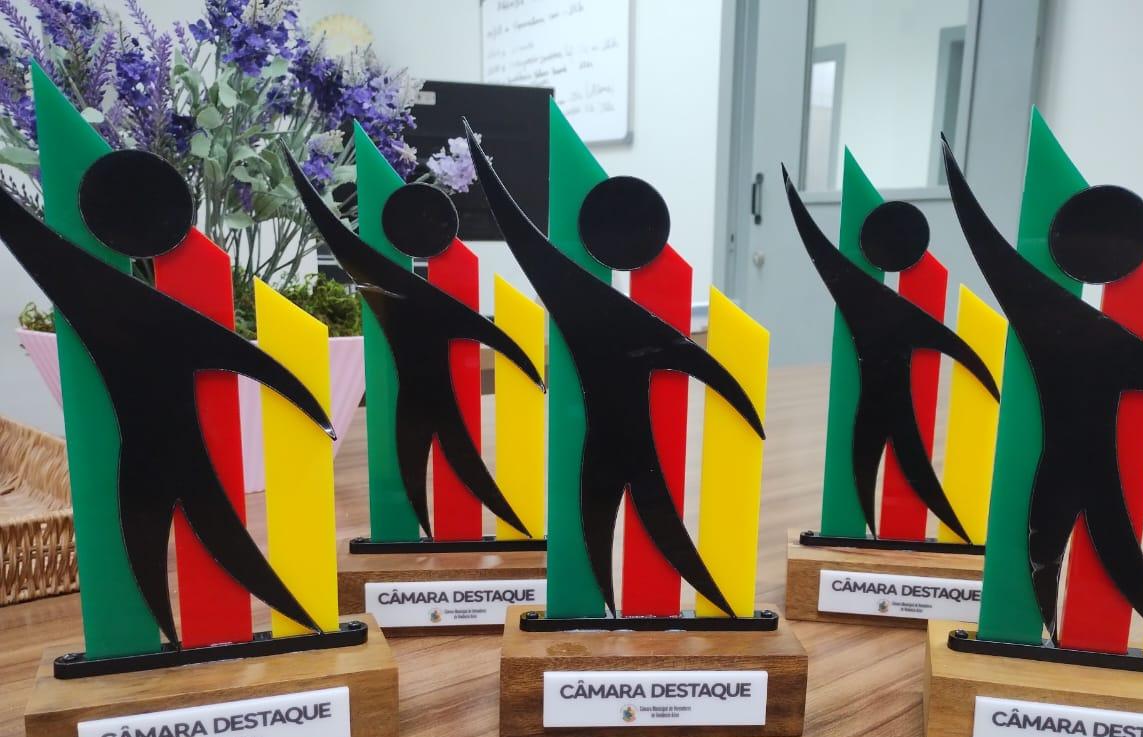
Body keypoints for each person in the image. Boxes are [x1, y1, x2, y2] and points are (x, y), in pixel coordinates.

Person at [0, 149, 334, 644]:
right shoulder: (107, 292)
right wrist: (306, 403)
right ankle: (203, 633)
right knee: (177, 535)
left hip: (150, 441)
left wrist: (305, 404)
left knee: (186, 532)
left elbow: (33, 241)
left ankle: (271, 625)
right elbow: (250, 360)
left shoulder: (102, 292)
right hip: (149, 441)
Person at [941, 137, 1143, 660]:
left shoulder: (1065, 317)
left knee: (1086, 542)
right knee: (1083, 544)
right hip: (1069, 457)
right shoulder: (1072, 321)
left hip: (1066, 458)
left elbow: (988, 246)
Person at [463, 120, 764, 618]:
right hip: (607, 435)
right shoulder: (591, 301)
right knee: (620, 519)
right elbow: (700, 365)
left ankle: (665, 603)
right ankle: (628, 601)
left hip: (606, 436)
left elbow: (525, 241)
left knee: (622, 515)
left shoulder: (582, 297)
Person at [286, 151, 544, 539]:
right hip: (414, 386)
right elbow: (488, 333)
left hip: (417, 386)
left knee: (441, 455)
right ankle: (440, 524)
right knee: (434, 457)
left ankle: (470, 524)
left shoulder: (397, 283)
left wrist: (522, 362)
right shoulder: (399, 284)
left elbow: (487, 334)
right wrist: (524, 363)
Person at [782, 165, 999, 543]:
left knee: (886, 455)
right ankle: (889, 527)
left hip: (883, 382)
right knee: (886, 456)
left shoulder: (865, 291)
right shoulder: (865, 292)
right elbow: (953, 345)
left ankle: (920, 530)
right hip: (879, 381)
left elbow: (817, 244)